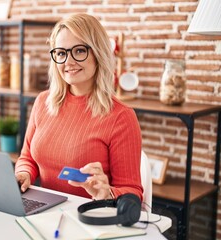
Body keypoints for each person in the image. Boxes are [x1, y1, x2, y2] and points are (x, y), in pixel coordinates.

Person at [15, 13, 143, 201]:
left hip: (89, 219)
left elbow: (133, 193)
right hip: (46, 213)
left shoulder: (121, 117)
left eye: (79, 51)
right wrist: (24, 174)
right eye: (61, 53)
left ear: (98, 53)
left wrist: (107, 193)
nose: (68, 61)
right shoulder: (43, 102)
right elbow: (27, 159)